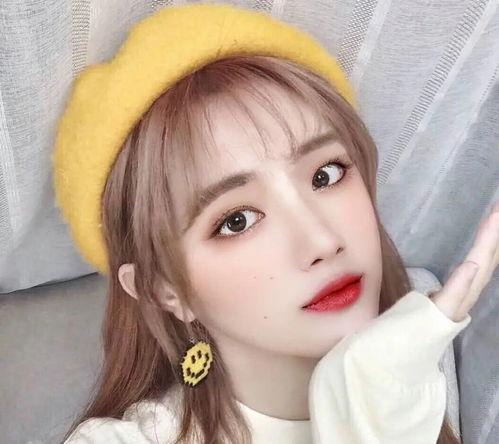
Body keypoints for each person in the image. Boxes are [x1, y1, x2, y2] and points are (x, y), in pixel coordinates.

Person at [52, 3, 499, 443]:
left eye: (326, 175)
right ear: (164, 289)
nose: (322, 241)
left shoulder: (424, 348)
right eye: (237, 221)